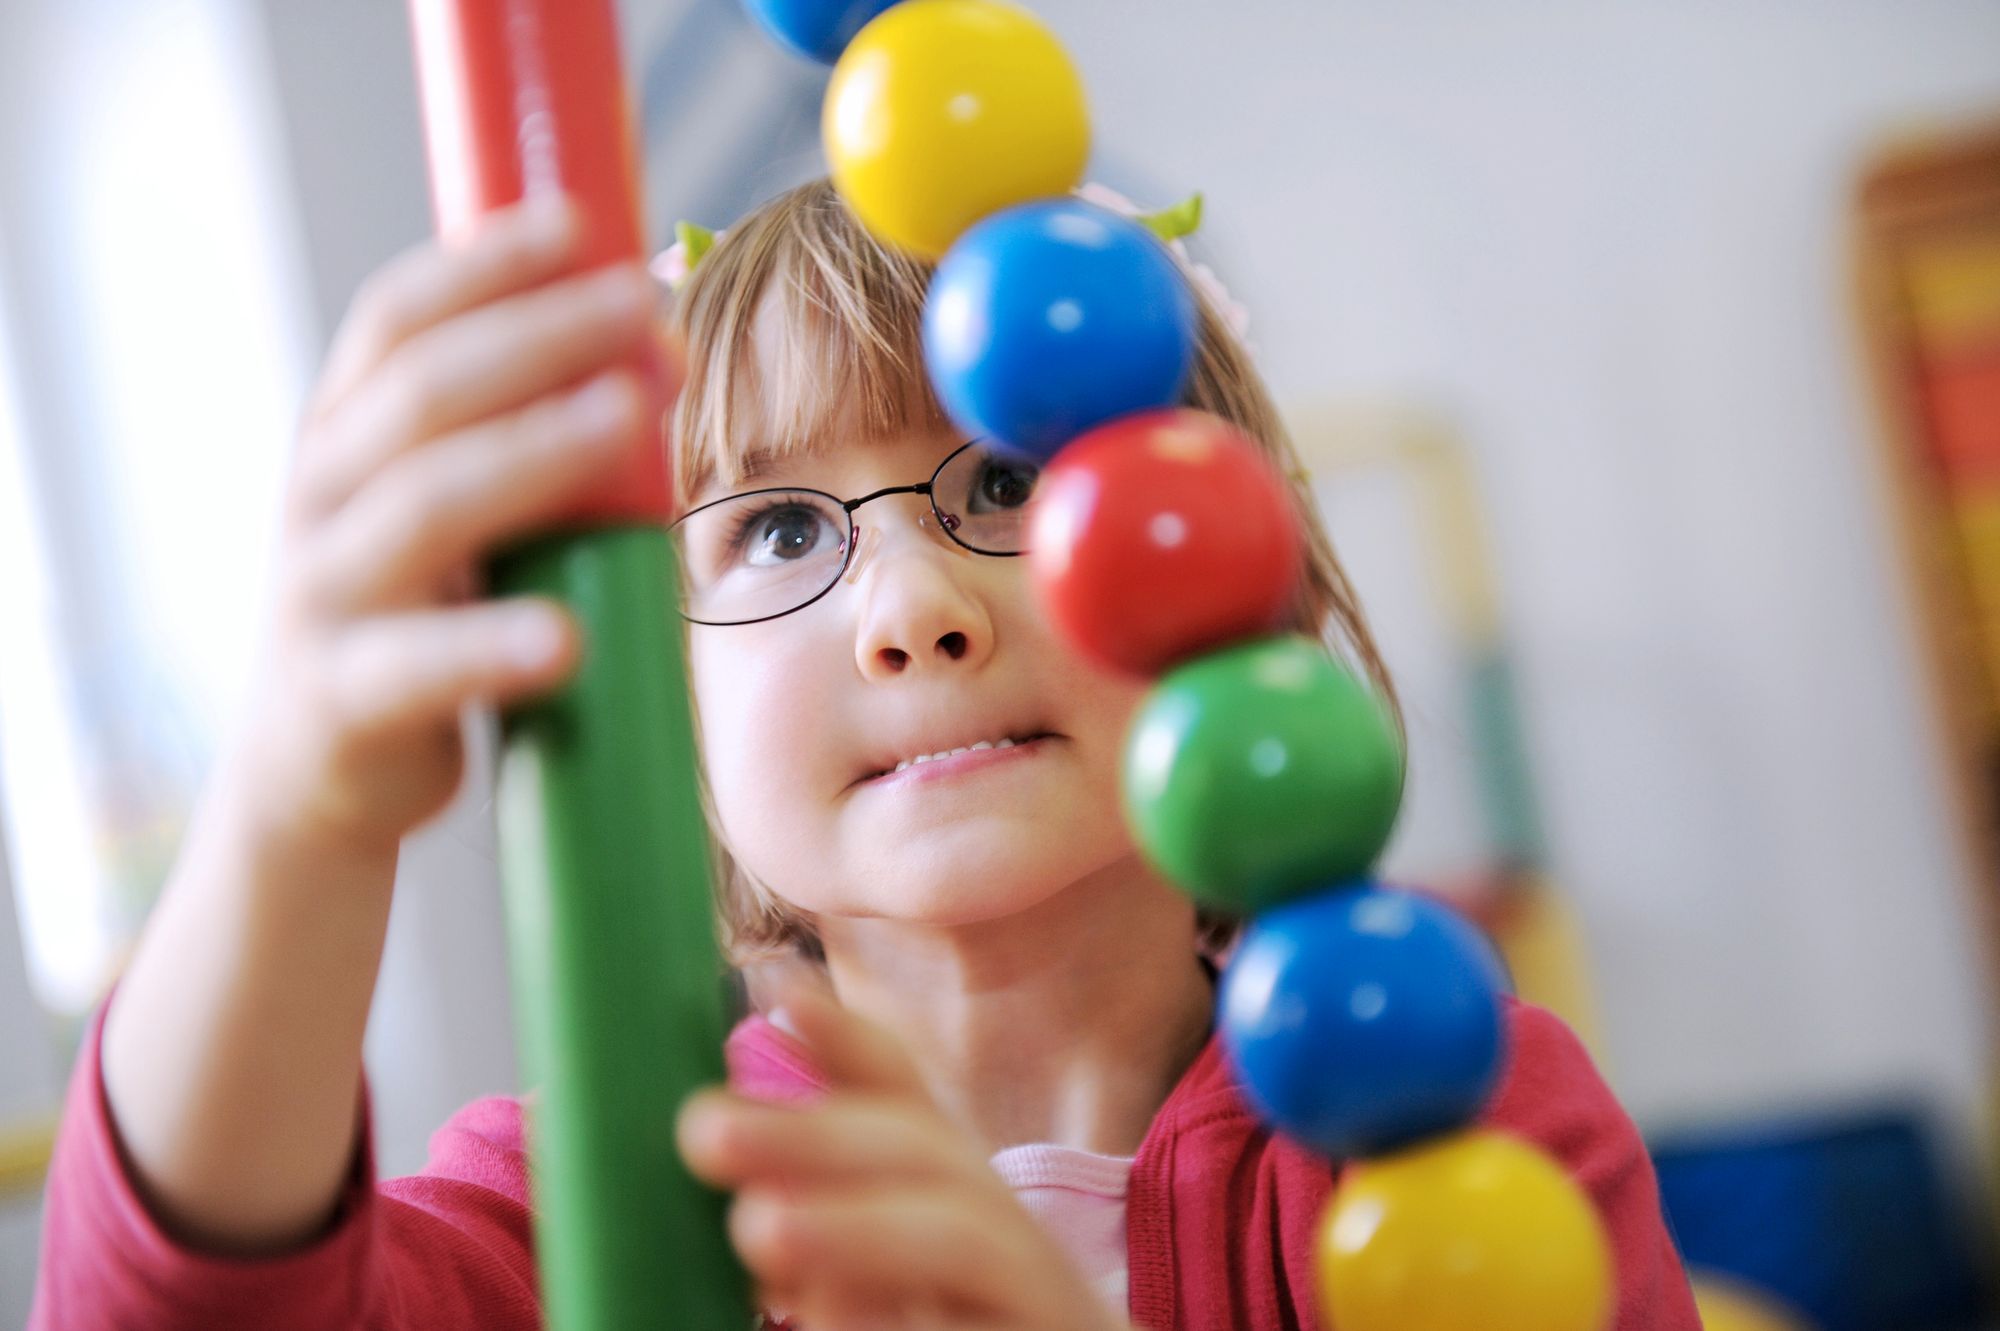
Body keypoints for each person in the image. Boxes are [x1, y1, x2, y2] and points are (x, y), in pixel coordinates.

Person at [29, 178, 1702, 1330]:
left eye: (1007, 480)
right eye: (772, 530)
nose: (909, 611)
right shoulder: (595, 1199)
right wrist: (294, 812)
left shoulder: (1453, 1114)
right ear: (667, 704)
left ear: (1233, 576)